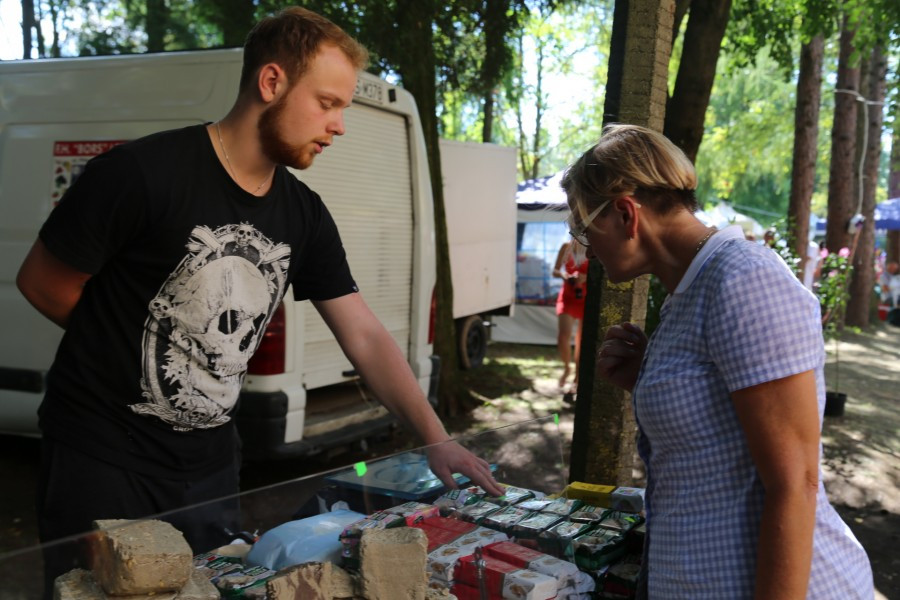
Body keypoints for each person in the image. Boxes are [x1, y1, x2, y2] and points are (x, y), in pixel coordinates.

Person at [16, 6, 502, 589]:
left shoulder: (304, 214)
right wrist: (144, 350)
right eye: (327, 103)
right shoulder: (143, 172)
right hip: (101, 460)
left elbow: (364, 333)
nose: (340, 124)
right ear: (271, 83)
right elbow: (43, 282)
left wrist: (436, 437)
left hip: (210, 469)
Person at [561, 123, 873, 599]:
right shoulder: (690, 289)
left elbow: (796, 483)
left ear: (626, 213)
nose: (585, 249)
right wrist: (650, 377)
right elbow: (718, 425)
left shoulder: (744, 281)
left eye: (584, 230)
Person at [552, 240, 588, 390]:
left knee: (581, 340)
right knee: (563, 336)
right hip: (567, 296)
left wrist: (585, 277)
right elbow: (554, 271)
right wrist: (565, 275)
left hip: (586, 297)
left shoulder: (593, 246)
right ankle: (567, 368)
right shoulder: (566, 247)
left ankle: (579, 376)